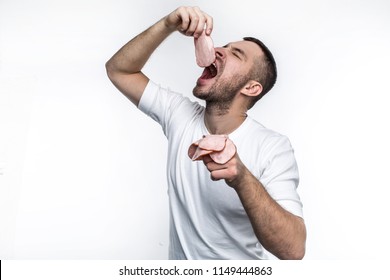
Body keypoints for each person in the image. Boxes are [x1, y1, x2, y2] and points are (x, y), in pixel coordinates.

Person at [106, 6, 306, 260]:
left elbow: (293, 249)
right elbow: (119, 70)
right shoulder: (179, 115)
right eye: (223, 45)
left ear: (252, 87)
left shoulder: (272, 147)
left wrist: (241, 178)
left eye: (236, 54)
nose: (219, 49)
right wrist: (168, 23)